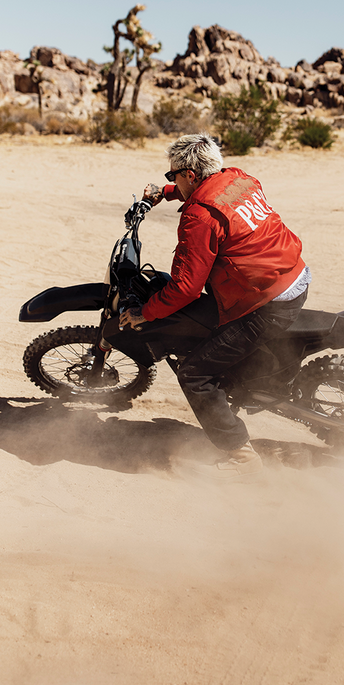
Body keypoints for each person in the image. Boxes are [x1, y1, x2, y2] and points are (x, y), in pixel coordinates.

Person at [119, 133, 310, 480]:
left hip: (267, 302)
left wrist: (143, 313)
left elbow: (185, 289)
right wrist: (164, 193)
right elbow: (211, 192)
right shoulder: (238, 178)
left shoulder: (199, 218)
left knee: (195, 374)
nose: (171, 180)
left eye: (171, 176)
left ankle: (242, 458)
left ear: (190, 175)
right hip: (292, 276)